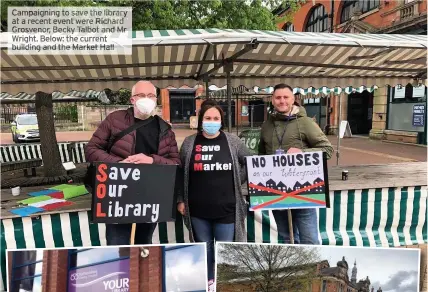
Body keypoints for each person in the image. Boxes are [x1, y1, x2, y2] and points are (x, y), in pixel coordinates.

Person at [85, 80, 181, 245]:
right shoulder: (115, 119)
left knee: (144, 244)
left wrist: (152, 160)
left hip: (150, 198)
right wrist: (120, 164)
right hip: (118, 198)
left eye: (151, 96)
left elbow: (175, 163)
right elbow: (92, 149)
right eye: (141, 95)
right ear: (132, 99)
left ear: (156, 100)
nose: (146, 99)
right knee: (118, 245)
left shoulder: (165, 129)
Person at [177, 100, 250, 282]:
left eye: (216, 118)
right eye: (208, 117)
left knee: (225, 251)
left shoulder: (232, 141)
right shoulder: (189, 143)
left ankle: (223, 284)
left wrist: (237, 180)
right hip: (197, 210)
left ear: (221, 120)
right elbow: (180, 173)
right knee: (204, 250)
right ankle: (207, 282)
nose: (212, 121)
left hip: (227, 210)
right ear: (201, 120)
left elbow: (251, 161)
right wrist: (180, 199)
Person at [258, 83, 334, 244]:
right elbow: (262, 155)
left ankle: (313, 268)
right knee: (287, 239)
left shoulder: (305, 122)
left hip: (303, 189)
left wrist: (303, 153)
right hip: (276, 190)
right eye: (278, 97)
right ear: (272, 100)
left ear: (293, 99)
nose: (282, 101)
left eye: (286, 97)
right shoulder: (266, 125)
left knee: (310, 240)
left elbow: (327, 149)